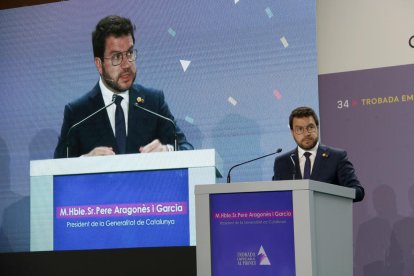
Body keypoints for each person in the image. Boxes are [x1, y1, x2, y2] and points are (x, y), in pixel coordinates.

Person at [54, 15, 193, 158]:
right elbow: (56, 168)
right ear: (99, 65)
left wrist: (168, 151)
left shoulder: (153, 103)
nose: (127, 64)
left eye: (130, 53)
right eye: (116, 57)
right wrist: (84, 162)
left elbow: (187, 149)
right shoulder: (78, 113)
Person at [272, 106, 364, 202]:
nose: (306, 133)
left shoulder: (336, 157)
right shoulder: (282, 162)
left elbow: (358, 192)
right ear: (292, 132)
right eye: (299, 129)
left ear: (318, 127)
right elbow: (275, 197)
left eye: (310, 127)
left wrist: (327, 194)